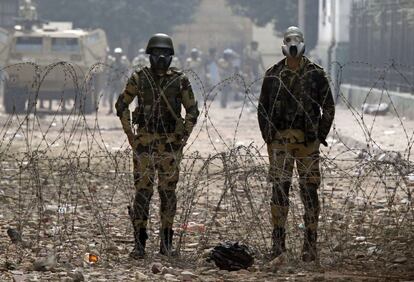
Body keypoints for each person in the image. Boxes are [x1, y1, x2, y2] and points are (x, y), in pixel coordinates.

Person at [115, 33, 199, 259]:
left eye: (165, 54)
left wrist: (184, 135)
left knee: (167, 193)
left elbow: (193, 110)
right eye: (156, 54)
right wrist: (129, 133)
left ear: (171, 57)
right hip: (144, 143)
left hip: (170, 144)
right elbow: (121, 104)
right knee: (143, 193)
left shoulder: (179, 80)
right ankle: (140, 242)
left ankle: (166, 242)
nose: (160, 58)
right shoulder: (140, 78)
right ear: (150, 56)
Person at [258, 26, 335, 262]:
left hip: (307, 143)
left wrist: (318, 135)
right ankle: (278, 243)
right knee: (279, 190)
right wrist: (269, 137)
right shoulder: (273, 74)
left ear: (303, 44)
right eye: (289, 41)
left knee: (309, 191)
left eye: (297, 41)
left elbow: (328, 107)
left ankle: (310, 243)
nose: (293, 45)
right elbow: (263, 109)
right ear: (284, 44)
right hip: (280, 142)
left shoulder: (315, 73)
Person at [108, 47, 130, 114]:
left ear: (120, 55)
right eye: (116, 54)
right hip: (113, 81)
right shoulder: (112, 63)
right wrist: (108, 80)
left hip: (119, 82)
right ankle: (111, 109)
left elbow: (126, 72)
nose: (117, 55)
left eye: (118, 54)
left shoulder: (123, 63)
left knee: (119, 96)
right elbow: (109, 71)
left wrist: (123, 79)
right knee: (110, 95)